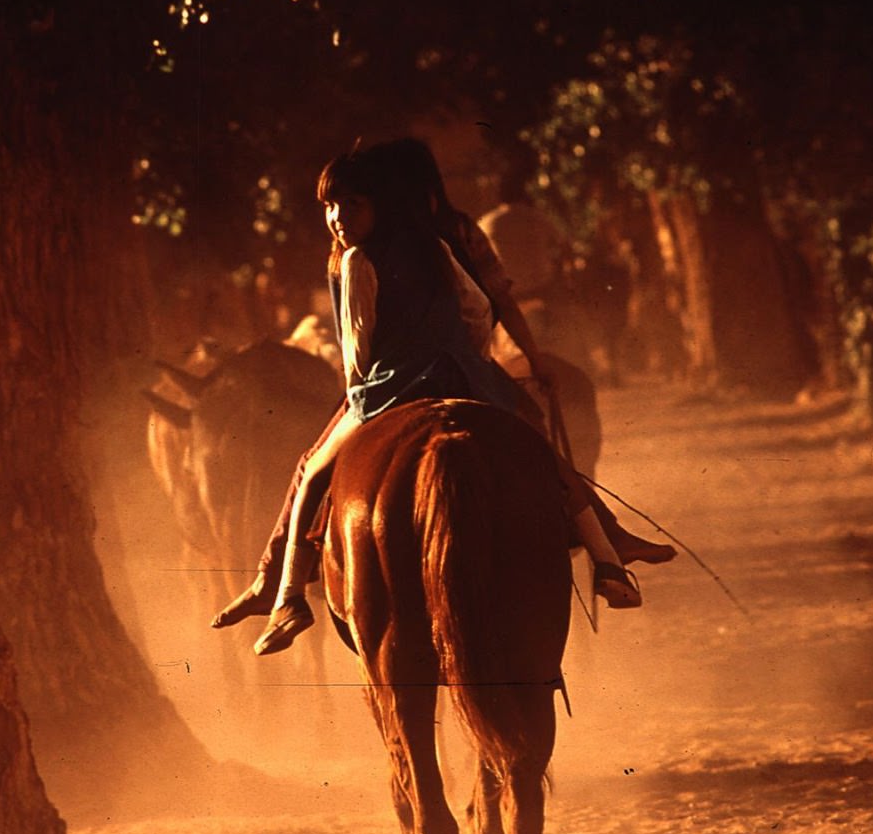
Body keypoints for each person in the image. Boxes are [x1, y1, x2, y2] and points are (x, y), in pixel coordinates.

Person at [213, 145, 658, 657]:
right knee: (540, 452)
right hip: (464, 376)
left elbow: (357, 348)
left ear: (378, 204)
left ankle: (287, 595)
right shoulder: (435, 245)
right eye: (330, 208)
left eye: (349, 205)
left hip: (388, 387)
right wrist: (466, 360)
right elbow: (476, 307)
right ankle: (606, 558)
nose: (337, 218)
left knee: (312, 470)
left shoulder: (356, 260)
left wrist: (367, 381)